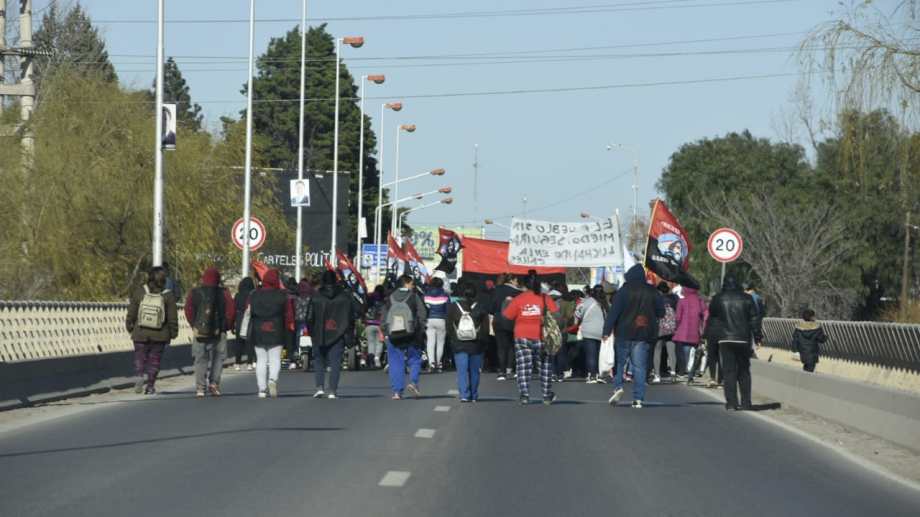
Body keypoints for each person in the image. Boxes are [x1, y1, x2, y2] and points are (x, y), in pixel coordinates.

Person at [603, 264, 665, 409]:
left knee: (619, 364)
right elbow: (661, 312)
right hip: (643, 334)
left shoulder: (623, 291)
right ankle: (638, 399)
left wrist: (606, 331)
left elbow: (614, 313)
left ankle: (618, 387)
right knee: (639, 367)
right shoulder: (652, 291)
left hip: (623, 333)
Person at [502, 272, 559, 405]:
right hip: (542, 336)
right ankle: (546, 395)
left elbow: (507, 316)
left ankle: (524, 395)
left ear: (524, 285)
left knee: (523, 366)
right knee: (545, 366)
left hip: (521, 335)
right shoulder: (545, 298)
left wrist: (507, 303)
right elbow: (556, 314)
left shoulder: (518, 298)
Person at [305, 270, 362, 399]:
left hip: (319, 333)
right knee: (335, 362)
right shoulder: (345, 296)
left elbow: (309, 317)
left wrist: (312, 332)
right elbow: (356, 311)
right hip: (339, 333)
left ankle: (319, 388)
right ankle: (332, 390)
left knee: (319, 360)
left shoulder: (316, 297)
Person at [708, 276, 762, 410]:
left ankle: (731, 403)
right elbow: (754, 319)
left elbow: (713, 318)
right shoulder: (747, 298)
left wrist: (712, 337)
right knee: (744, 371)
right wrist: (758, 337)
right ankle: (746, 403)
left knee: (728, 371)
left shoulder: (718, 298)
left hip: (725, 338)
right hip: (743, 338)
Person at [126, 266, 179, 395]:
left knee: (140, 357)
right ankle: (150, 386)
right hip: (160, 335)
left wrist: (130, 326)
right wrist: (173, 333)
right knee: (154, 361)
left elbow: (131, 312)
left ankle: (139, 375)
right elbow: (172, 317)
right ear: (164, 280)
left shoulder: (140, 292)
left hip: (140, 332)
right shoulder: (168, 295)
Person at [185, 267, 235, 398]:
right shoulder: (224, 293)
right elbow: (231, 311)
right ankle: (214, 383)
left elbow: (188, 310)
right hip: (219, 331)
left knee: (200, 359)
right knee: (218, 358)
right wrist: (226, 326)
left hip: (200, 331)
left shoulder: (194, 292)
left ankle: (200, 388)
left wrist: (194, 325)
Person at [247, 268, 295, 398]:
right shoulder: (283, 295)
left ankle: (262, 389)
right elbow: (289, 314)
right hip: (276, 329)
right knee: (275, 359)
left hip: (258, 330)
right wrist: (290, 327)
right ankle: (272, 380)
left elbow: (249, 311)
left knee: (261, 360)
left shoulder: (254, 295)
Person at [382, 275, 428, 399]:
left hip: (393, 335)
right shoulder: (414, 297)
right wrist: (420, 330)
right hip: (411, 334)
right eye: (412, 284)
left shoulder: (390, 297)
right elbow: (422, 314)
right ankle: (413, 382)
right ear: (406, 284)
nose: (413, 286)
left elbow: (384, 317)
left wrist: (386, 332)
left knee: (395, 362)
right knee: (415, 359)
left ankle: (397, 392)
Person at [447, 282, 488, 402]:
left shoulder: (454, 306)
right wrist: (483, 342)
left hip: (459, 343)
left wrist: (453, 339)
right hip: (476, 344)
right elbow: (485, 328)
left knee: (462, 371)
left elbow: (449, 325)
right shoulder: (480, 307)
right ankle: (474, 394)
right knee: (474, 371)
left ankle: (464, 395)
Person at [491, 273, 523, 381]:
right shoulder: (518, 292)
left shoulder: (497, 289)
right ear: (513, 280)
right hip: (513, 320)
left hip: (498, 319)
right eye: (517, 281)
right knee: (515, 345)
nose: (517, 283)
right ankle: (514, 369)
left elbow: (492, 307)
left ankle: (502, 372)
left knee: (501, 347)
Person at [574, 285, 608, 384]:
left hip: (588, 331)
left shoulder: (587, 302)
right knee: (599, 354)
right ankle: (599, 374)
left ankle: (592, 376)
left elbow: (577, 313)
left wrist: (577, 322)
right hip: (601, 331)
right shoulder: (605, 303)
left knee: (591, 354)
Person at [675, 286, 707, 385]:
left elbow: (678, 317)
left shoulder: (682, 301)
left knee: (685, 352)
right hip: (696, 331)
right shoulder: (700, 301)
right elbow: (706, 315)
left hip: (683, 332)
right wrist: (703, 327)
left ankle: (683, 371)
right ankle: (692, 372)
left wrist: (676, 327)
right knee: (696, 353)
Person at [651, 282, 679, 384]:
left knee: (657, 350)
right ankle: (673, 373)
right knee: (671, 351)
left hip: (660, 328)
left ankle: (657, 375)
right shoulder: (674, 298)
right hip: (671, 328)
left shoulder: (656, 299)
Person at [423, 276, 450, 372]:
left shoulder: (426, 295)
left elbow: (424, 309)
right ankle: (438, 364)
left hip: (429, 320)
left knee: (430, 342)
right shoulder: (445, 295)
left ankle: (431, 363)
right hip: (441, 320)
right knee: (440, 343)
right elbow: (448, 310)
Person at [233, 277, 256, 371]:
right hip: (249, 319)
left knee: (239, 342)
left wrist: (233, 323)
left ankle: (237, 363)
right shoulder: (253, 295)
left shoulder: (237, 295)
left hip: (239, 318)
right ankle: (249, 363)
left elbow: (234, 308)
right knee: (250, 342)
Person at [365, 285, 386, 368]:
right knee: (379, 342)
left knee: (371, 342)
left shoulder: (369, 300)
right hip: (379, 324)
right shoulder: (383, 302)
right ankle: (377, 358)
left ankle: (371, 359)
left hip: (369, 324)